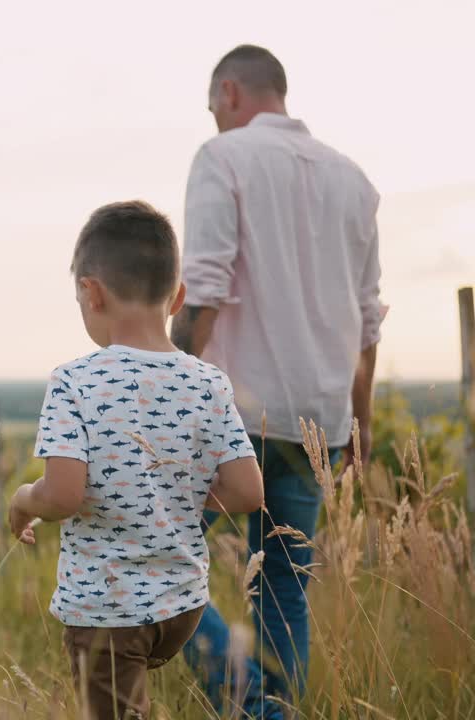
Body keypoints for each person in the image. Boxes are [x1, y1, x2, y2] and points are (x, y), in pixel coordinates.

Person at [171, 45, 384, 718]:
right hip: (319, 422)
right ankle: (275, 712)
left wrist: (167, 398)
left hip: (229, 416)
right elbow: (368, 319)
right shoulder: (354, 180)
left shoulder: (223, 159)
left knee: (151, 556)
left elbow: (202, 294)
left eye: (212, 107)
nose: (212, 121)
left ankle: (250, 700)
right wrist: (361, 422)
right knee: (285, 589)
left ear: (230, 92)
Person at [10, 201, 264, 720]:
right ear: (179, 298)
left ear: (91, 292)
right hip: (184, 606)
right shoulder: (208, 382)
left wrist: (21, 500)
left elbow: (61, 495)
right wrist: (181, 497)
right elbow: (247, 492)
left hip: (106, 611)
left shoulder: (74, 382)